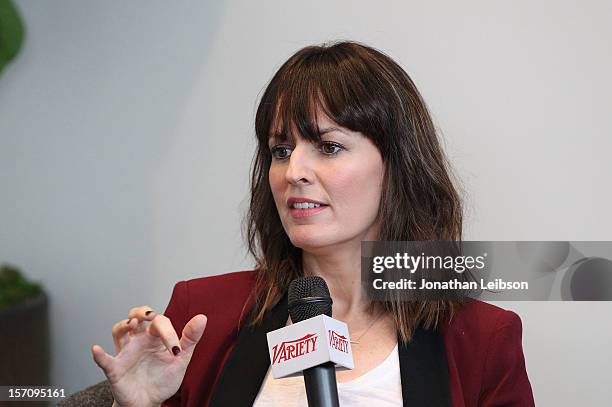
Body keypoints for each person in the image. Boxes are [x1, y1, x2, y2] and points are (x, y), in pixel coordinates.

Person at [92, 40, 535, 407]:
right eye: (281, 150)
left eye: (328, 146)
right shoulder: (201, 313)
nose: (293, 172)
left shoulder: (483, 339)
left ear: (397, 166)